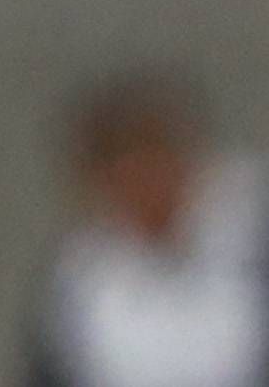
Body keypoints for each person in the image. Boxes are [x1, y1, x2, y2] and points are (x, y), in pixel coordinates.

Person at [30, 77, 265, 387]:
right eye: (131, 174)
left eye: (158, 162)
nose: (149, 186)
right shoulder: (78, 289)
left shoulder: (251, 236)